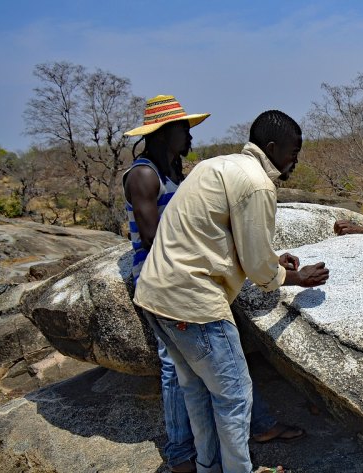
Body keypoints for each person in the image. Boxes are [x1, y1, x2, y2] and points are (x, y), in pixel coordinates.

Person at [133, 110, 329, 473]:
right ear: (271, 148)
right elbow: (255, 265)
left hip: (155, 294)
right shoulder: (257, 183)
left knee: (196, 391)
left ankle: (209, 467)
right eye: (293, 152)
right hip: (194, 303)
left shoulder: (216, 165)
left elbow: (221, 236)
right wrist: (294, 278)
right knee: (236, 398)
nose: (295, 161)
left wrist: (271, 258)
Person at [123, 94, 209, 473]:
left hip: (183, 273)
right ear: (163, 133)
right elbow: (151, 236)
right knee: (174, 366)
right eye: (183, 130)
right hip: (161, 279)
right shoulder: (143, 174)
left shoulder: (174, 171)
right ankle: (179, 454)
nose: (189, 137)